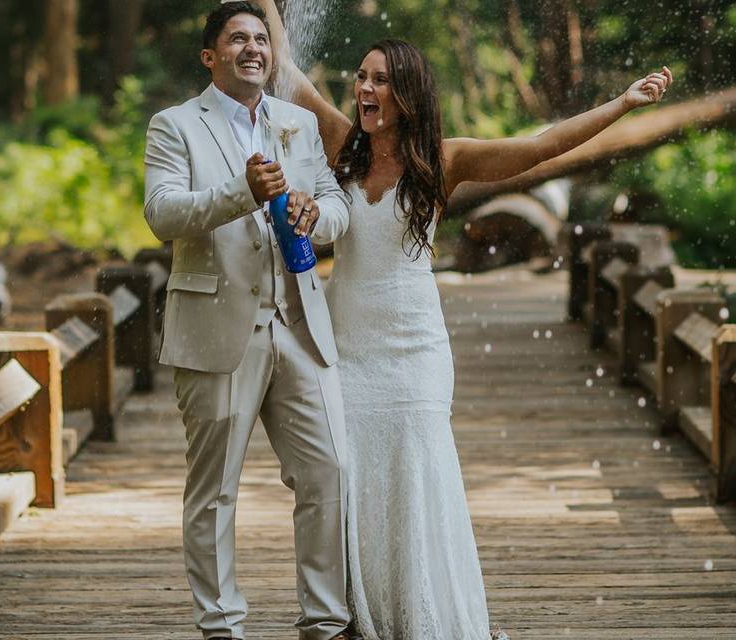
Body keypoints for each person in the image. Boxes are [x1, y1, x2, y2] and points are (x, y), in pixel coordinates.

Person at [251, 2, 674, 639]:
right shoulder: (342, 144)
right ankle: (364, 617)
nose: (365, 89)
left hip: (415, 349)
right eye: (362, 77)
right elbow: (283, 71)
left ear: (408, 94)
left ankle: (426, 617)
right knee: (355, 477)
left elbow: (539, 147)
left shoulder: (446, 160)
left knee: (417, 475)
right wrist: (264, 6)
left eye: (381, 80)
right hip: (350, 350)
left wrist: (620, 105)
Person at [142, 3, 358, 639]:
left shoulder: (297, 123)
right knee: (215, 491)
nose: (253, 48)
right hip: (216, 331)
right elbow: (162, 214)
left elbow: (336, 201)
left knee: (330, 472)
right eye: (237, 39)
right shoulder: (174, 125)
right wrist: (243, 193)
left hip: (299, 325)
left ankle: (324, 621)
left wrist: (318, 219)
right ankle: (222, 627)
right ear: (211, 56)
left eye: (261, 38)